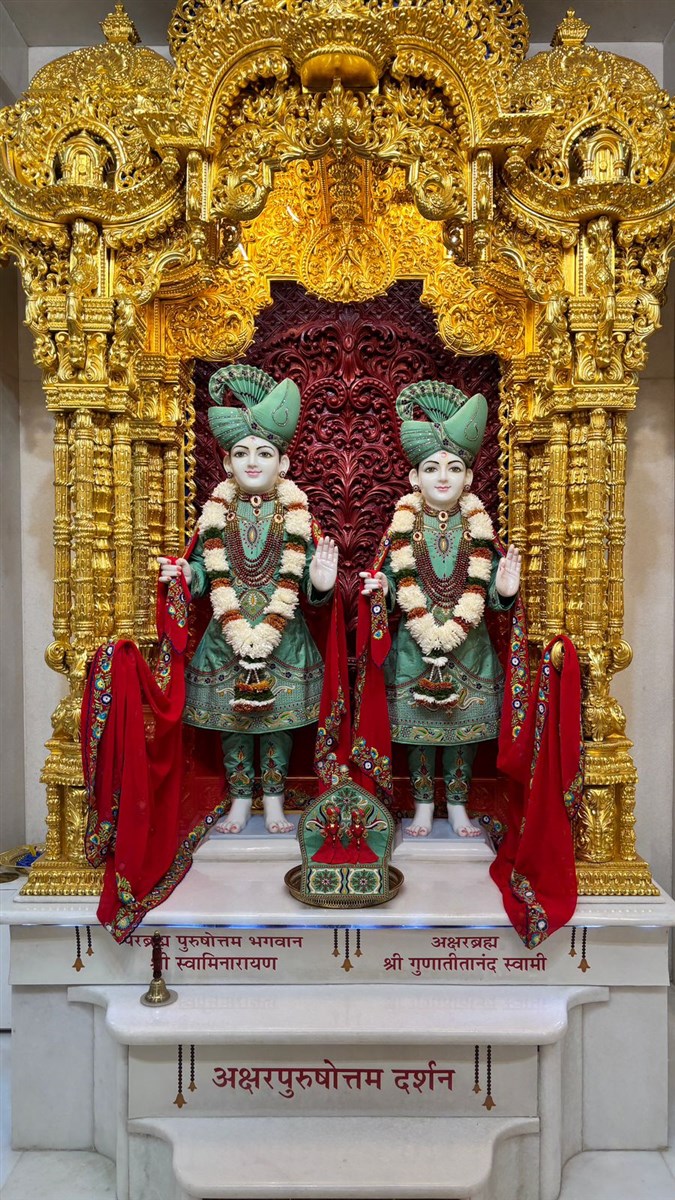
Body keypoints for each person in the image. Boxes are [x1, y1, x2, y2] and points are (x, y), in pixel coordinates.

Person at [159, 364, 338, 834]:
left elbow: (309, 585)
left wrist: (321, 583)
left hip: (284, 641)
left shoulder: (298, 515)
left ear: (284, 464)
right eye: (241, 453)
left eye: (264, 453)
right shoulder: (215, 514)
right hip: (226, 639)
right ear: (226, 464)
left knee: (277, 727)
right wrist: (187, 575)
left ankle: (274, 802)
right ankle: (240, 801)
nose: (252, 462)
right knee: (234, 727)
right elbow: (205, 571)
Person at [360, 380, 521, 838]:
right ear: (415, 478)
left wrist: (504, 591)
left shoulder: (480, 527)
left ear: (468, 477)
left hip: (469, 650)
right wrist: (382, 590)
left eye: (453, 467)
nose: (443, 477)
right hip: (414, 649)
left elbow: (490, 592)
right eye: (431, 468)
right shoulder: (402, 527)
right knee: (419, 736)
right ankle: (424, 807)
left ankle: (459, 806)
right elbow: (393, 580)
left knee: (462, 736)